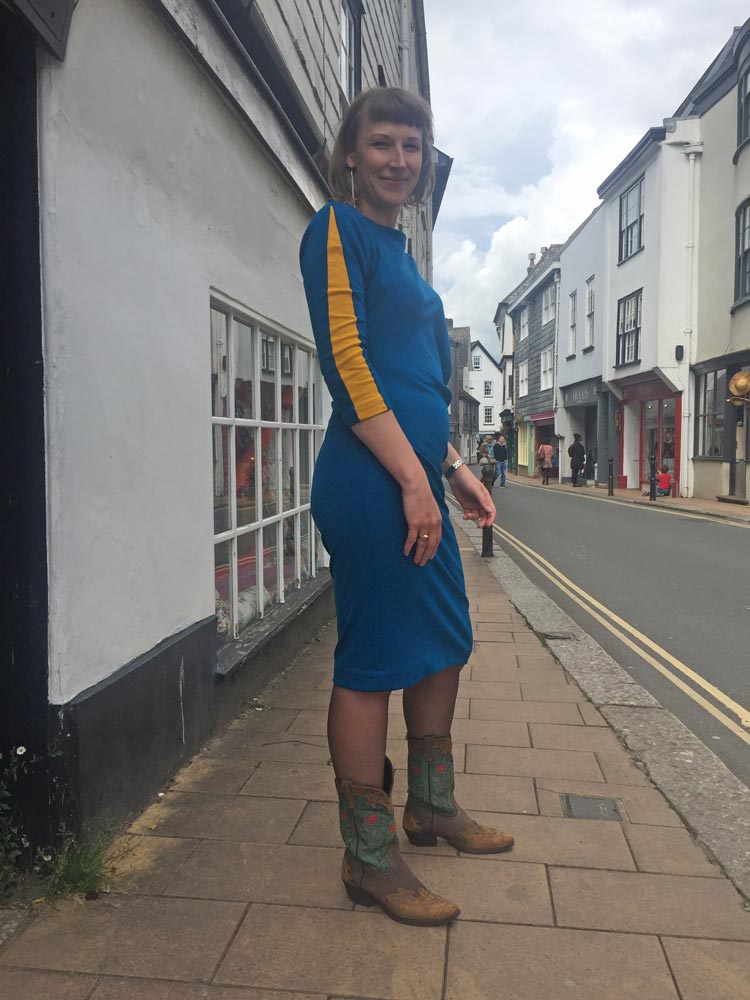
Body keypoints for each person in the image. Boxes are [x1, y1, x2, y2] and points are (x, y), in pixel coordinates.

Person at [299, 87, 513, 928]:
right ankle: (370, 858)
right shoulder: (335, 231)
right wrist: (413, 480)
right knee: (373, 660)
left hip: (420, 479)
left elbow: (426, 383)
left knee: (443, 641)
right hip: (368, 484)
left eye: (412, 147)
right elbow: (347, 364)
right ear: (350, 154)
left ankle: (430, 807)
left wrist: (454, 466)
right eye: (381, 143)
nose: (398, 159)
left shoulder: (407, 259)